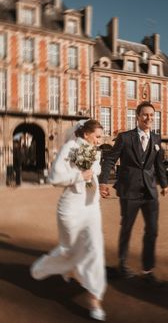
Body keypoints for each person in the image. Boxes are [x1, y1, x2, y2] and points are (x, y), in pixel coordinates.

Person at [30, 119, 106, 321]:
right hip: (71, 209)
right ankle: (50, 266)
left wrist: (97, 180)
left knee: (95, 250)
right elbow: (55, 177)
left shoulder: (95, 150)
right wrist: (79, 175)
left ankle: (95, 299)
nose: (101, 140)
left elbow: (95, 172)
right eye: (98, 136)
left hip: (92, 207)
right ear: (86, 134)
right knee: (70, 250)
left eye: (102, 136)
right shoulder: (70, 148)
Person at [99, 101, 168, 285]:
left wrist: (164, 184)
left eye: (152, 115)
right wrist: (103, 182)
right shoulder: (125, 138)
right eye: (145, 115)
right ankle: (122, 264)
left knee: (152, 230)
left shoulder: (156, 139)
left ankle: (148, 269)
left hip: (150, 192)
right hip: (129, 191)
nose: (149, 118)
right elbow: (110, 160)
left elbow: (159, 164)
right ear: (137, 116)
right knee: (127, 229)